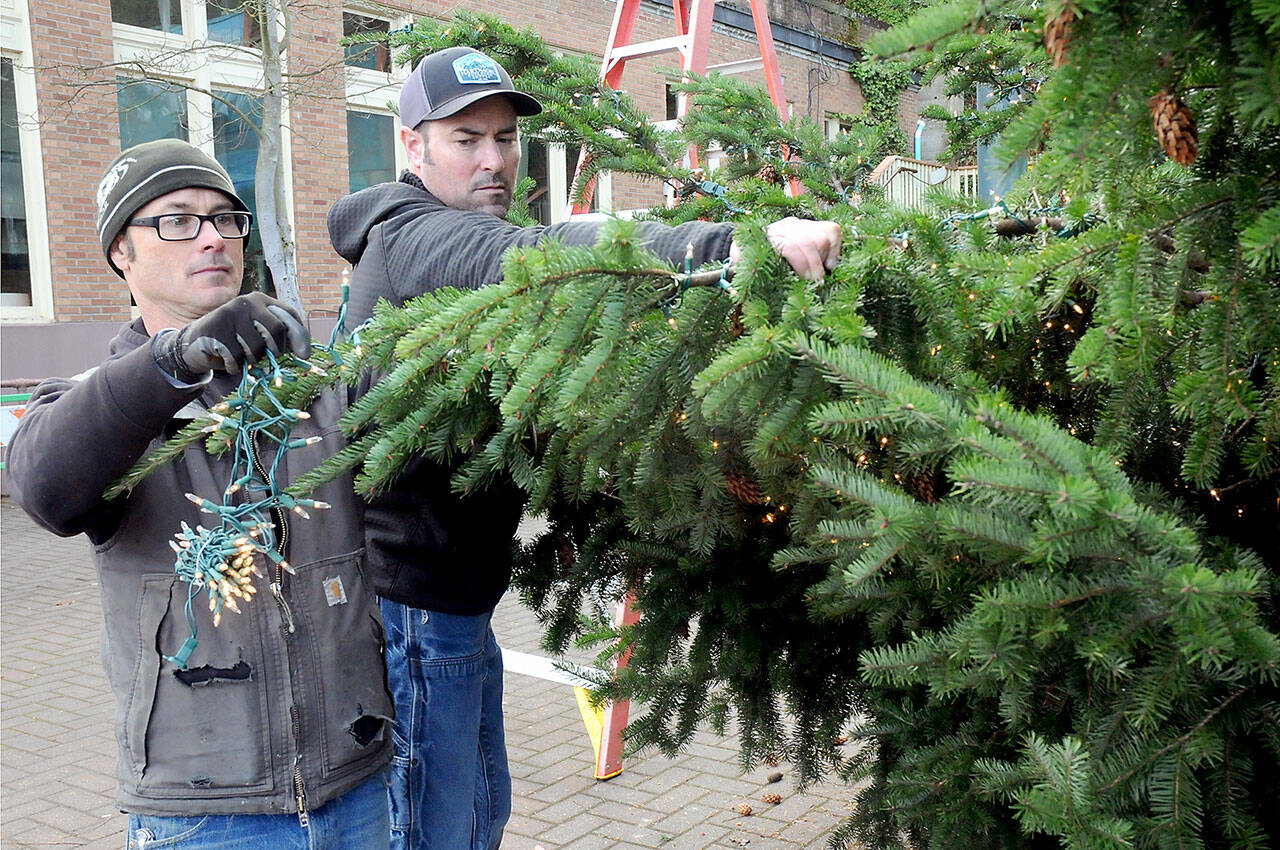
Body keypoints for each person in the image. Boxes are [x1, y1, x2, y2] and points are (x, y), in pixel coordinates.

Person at [326, 46, 842, 850]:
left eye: (505, 137)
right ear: (412, 145)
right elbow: (543, 253)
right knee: (435, 833)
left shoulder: (456, 240)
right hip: (412, 615)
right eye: (467, 138)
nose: (495, 159)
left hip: (452, 610)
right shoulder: (412, 238)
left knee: (474, 820)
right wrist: (725, 245)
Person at [6, 139, 394, 850]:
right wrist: (174, 360)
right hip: (207, 815)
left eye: (226, 217)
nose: (213, 236)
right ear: (121, 252)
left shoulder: (320, 390)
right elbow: (43, 486)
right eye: (177, 220)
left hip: (359, 786)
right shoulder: (100, 409)